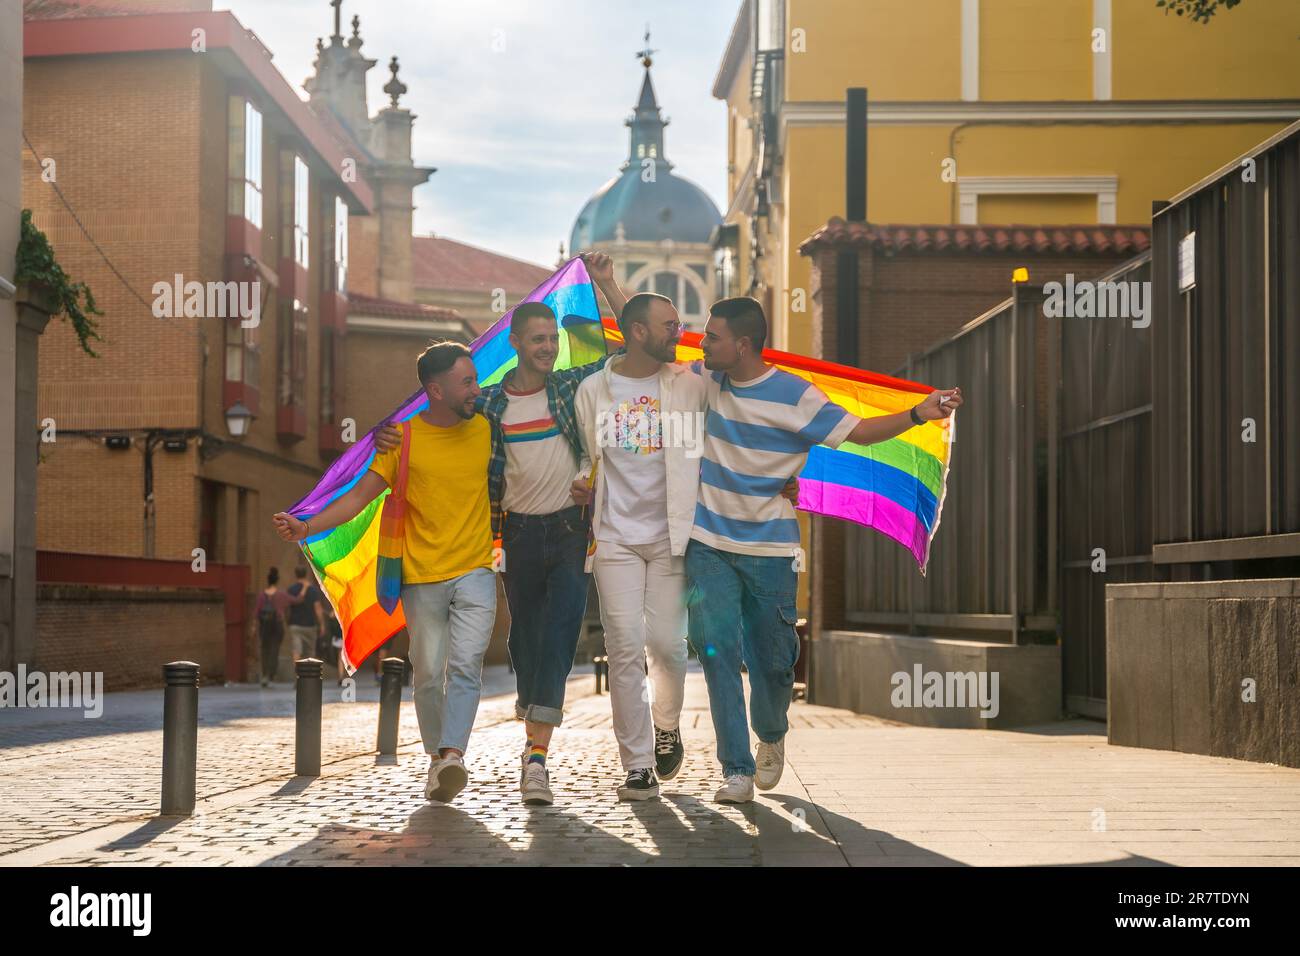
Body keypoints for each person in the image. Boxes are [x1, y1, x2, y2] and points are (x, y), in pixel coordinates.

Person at [689, 296, 962, 803]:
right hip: (707, 543)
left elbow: (858, 433)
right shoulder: (702, 378)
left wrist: (918, 413)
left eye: (712, 336)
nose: (702, 343)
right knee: (717, 652)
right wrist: (612, 287)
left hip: (771, 550)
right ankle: (736, 770)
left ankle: (770, 733)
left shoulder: (796, 397)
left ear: (742, 344)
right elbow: (650, 342)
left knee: (772, 662)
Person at [373, 253, 622, 806]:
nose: (548, 347)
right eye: (537, 339)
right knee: (525, 641)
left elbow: (632, 348)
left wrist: (605, 284)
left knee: (560, 633)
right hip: (519, 536)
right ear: (515, 343)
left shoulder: (571, 388)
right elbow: (427, 411)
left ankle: (537, 759)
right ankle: (520, 717)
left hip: (570, 529)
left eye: (552, 339)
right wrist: (382, 435)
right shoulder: (486, 403)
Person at [273, 341, 497, 804]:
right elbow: (358, 498)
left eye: (476, 379)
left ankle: (453, 754)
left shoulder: (488, 426)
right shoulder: (403, 440)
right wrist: (307, 526)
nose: (477, 389)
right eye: (467, 381)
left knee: (465, 666)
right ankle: (438, 760)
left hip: (476, 569)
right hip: (420, 576)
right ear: (435, 390)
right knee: (429, 672)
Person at [571, 291, 705, 802]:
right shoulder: (593, 390)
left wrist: (781, 479)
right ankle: (638, 764)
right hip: (615, 538)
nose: (681, 332)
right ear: (638, 332)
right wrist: (583, 480)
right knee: (623, 647)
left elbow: (740, 427)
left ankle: (666, 725)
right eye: (670, 325)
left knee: (669, 646)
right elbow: (589, 456)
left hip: (672, 536)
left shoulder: (690, 385)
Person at [252, 566, 291, 686]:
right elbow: (296, 600)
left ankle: (264, 675)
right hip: (277, 625)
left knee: (264, 650)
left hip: (264, 625)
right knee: (275, 650)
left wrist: (253, 627)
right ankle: (271, 675)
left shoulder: (262, 596)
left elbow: (256, 612)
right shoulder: (281, 595)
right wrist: (304, 589)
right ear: (277, 581)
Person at [285, 565, 325, 662]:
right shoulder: (313, 590)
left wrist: (288, 621)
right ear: (306, 574)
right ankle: (309, 675)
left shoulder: (291, 589)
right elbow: (318, 609)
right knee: (310, 653)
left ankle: (298, 675)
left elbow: (287, 607)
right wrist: (322, 625)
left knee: (296, 651)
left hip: (295, 625)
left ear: (296, 575)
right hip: (310, 625)